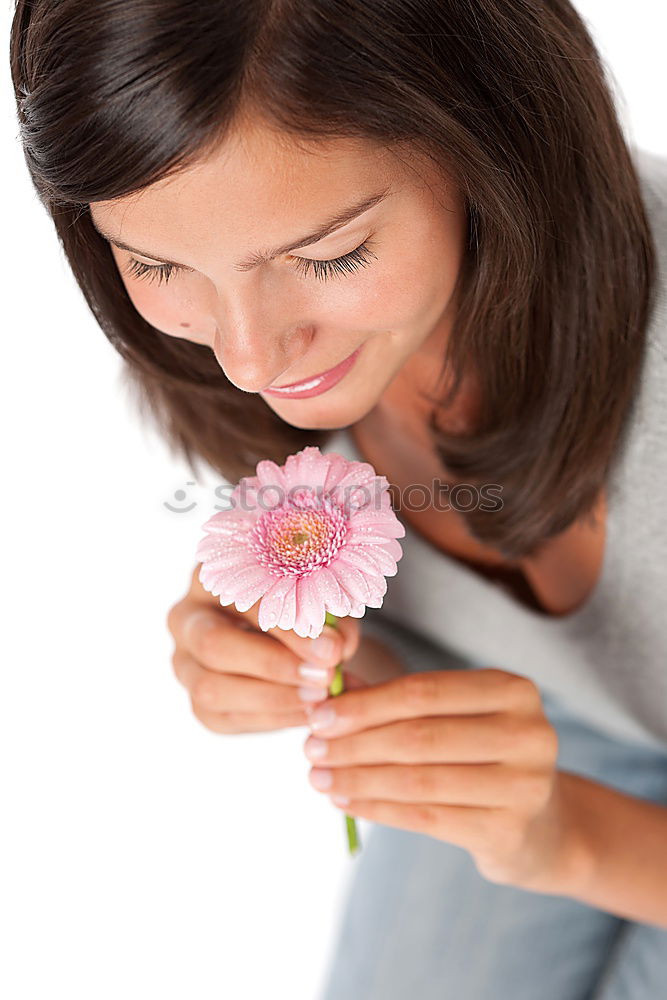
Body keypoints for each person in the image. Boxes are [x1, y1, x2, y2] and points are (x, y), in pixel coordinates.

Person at [10, 0, 667, 995]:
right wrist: (336, 668)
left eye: (328, 256)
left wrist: (570, 840)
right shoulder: (285, 366)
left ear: (491, 142)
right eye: (157, 264)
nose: (246, 356)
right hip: (550, 731)